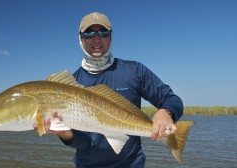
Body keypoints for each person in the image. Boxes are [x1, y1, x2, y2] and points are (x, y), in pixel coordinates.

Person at [34, 12, 183, 168]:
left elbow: (172, 100)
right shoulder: (71, 85)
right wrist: (64, 133)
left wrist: (167, 112)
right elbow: (84, 143)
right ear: (81, 39)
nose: (97, 38)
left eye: (103, 32)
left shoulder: (134, 70)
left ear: (110, 38)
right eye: (89, 33)